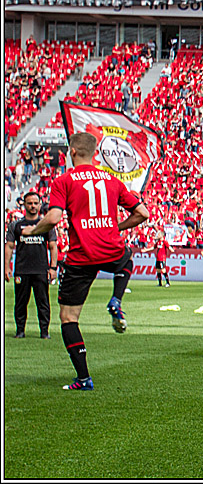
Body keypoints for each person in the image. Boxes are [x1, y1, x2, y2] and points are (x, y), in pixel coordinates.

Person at [24, 132, 149, 390]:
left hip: (81, 256)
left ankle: (84, 378)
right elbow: (142, 213)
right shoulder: (112, 180)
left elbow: (54, 218)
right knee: (125, 261)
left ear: (72, 152)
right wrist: (116, 227)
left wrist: (31, 231)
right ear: (95, 154)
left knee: (69, 317)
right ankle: (116, 298)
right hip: (110, 248)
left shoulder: (63, 180)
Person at [5, 191, 59, 339]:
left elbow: (53, 246)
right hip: (22, 270)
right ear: (24, 204)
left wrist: (53, 268)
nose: (33, 206)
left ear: (40, 204)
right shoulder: (15, 225)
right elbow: (9, 247)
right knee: (20, 302)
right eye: (30, 203)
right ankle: (20, 331)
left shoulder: (46, 225)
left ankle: (44, 332)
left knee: (43, 302)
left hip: (41, 269)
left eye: (35, 203)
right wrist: (6, 266)